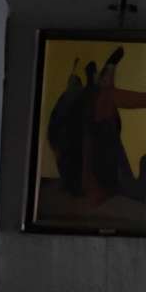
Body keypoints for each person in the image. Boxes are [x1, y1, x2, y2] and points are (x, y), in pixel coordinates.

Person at [80, 47, 146, 208]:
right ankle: (109, 191)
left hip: (104, 136)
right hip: (103, 136)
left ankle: (109, 191)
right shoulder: (100, 93)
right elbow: (124, 98)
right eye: (106, 76)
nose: (109, 79)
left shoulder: (97, 92)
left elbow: (125, 98)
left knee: (109, 166)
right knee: (106, 166)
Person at [45, 59, 90, 198]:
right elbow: (56, 117)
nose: (71, 86)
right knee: (66, 163)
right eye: (70, 83)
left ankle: (75, 188)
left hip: (75, 138)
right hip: (65, 138)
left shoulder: (79, 97)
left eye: (73, 83)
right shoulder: (66, 97)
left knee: (74, 164)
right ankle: (69, 185)